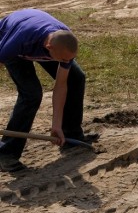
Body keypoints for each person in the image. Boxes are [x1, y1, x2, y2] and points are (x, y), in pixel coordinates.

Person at [0, 9, 98, 172]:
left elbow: (61, 85)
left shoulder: (64, 42)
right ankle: (6, 153)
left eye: (69, 58)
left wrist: (56, 125)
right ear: (48, 47)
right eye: (64, 59)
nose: (67, 61)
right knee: (31, 94)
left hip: (40, 40)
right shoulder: (15, 43)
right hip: (13, 41)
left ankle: (70, 134)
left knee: (76, 78)